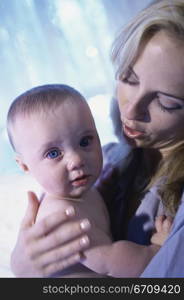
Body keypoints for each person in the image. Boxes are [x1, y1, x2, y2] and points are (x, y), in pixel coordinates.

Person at [9, 0, 184, 277]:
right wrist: (22, 264)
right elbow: (105, 258)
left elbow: (117, 262)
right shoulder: (107, 164)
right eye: (128, 78)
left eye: (166, 102)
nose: (130, 108)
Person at [7, 84, 171, 277]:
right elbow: (112, 261)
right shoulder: (61, 216)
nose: (76, 160)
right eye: (53, 153)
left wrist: (106, 186)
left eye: (85, 141)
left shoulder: (81, 190)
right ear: (24, 165)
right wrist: (155, 250)